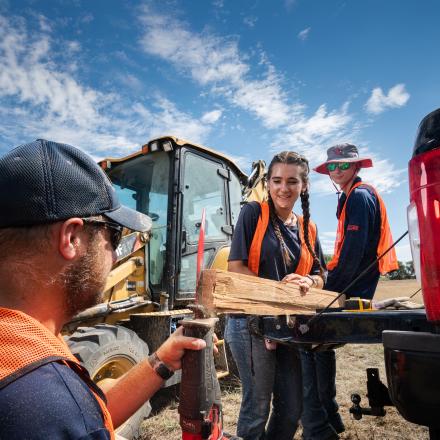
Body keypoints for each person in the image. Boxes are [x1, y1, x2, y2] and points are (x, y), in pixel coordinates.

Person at [0, 139, 207, 440]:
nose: (114, 255)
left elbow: (92, 414)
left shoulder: (28, 368)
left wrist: (159, 363)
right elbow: (78, 420)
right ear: (71, 238)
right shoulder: (49, 406)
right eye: (113, 234)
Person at [298, 143, 399, 440]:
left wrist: (328, 290)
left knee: (306, 339)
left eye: (343, 165)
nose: (337, 170)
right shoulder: (352, 196)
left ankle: (318, 425)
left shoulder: (359, 197)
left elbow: (354, 255)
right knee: (320, 347)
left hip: (355, 284)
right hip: (354, 280)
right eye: (332, 166)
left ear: (356, 166)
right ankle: (330, 419)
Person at [225, 151, 326, 440]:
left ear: (303, 186)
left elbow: (323, 274)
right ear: (268, 183)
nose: (284, 188)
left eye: (292, 181)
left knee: (292, 408)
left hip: (288, 326)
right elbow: (236, 268)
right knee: (257, 407)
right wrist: (280, 290)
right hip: (250, 325)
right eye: (277, 180)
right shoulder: (253, 213)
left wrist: (308, 280)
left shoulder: (309, 228)